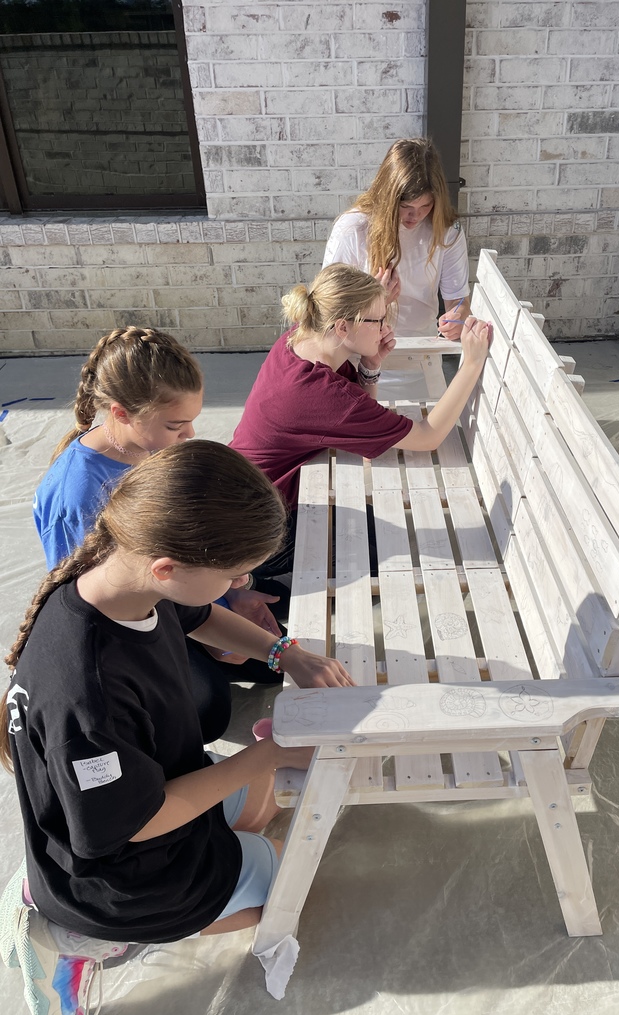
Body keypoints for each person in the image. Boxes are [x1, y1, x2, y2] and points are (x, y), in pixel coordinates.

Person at [1, 442, 352, 1015]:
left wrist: (283, 654)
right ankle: (94, 938)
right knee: (295, 880)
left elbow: (202, 614)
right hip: (121, 874)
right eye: (235, 571)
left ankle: (215, 864)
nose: (244, 579)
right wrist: (273, 749)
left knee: (260, 809)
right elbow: (141, 823)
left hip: (148, 784)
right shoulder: (88, 693)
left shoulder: (127, 577)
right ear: (169, 567)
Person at [32, 326, 286, 742]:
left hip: (182, 592)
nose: (189, 436)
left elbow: (190, 545)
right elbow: (102, 603)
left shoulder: (153, 449)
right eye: (175, 425)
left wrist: (233, 591)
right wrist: (209, 623)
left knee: (272, 650)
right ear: (121, 414)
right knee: (207, 708)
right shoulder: (77, 498)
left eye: (191, 422)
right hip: (140, 619)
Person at [230, 263, 492, 577]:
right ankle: (264, 593)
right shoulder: (322, 394)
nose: (386, 329)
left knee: (371, 526)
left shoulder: (301, 340)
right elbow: (427, 438)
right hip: (257, 533)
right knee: (376, 549)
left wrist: (370, 366)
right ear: (342, 327)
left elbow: (356, 414)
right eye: (378, 320)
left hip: (245, 497)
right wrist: (471, 364)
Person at [322, 137, 470, 339]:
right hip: (359, 351)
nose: (415, 216)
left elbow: (458, 299)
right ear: (387, 198)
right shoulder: (353, 228)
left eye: (425, 206)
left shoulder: (446, 231)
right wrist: (375, 300)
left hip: (422, 348)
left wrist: (458, 317)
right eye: (405, 206)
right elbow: (327, 306)